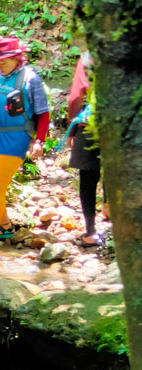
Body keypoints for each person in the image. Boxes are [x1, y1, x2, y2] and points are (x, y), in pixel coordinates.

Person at [0, 37, 51, 246]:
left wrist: (39, 141)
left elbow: (43, 113)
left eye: (3, 62)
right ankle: (4, 226)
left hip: (16, 136)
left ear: (16, 58)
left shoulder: (31, 79)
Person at [67, 51, 103, 247]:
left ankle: (90, 232)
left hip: (90, 125)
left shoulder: (89, 57)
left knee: (88, 178)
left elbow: (76, 97)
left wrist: (71, 130)